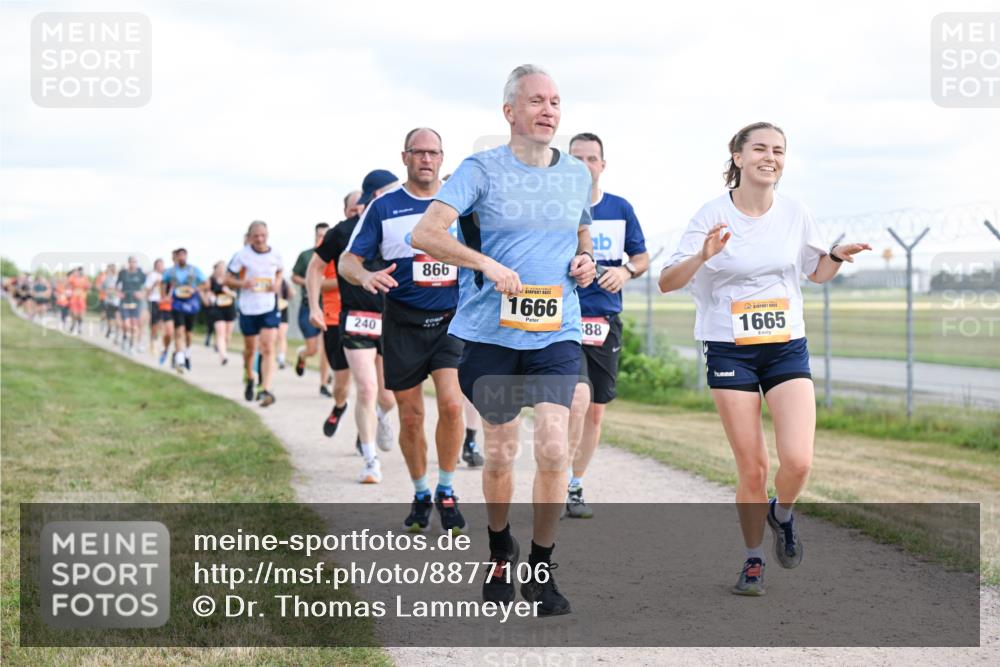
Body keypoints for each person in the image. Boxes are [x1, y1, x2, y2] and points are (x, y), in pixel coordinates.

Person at [412, 64, 596, 616]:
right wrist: (484, 263)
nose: (548, 110)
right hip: (491, 336)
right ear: (510, 112)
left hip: (555, 330)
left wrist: (585, 260)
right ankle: (498, 551)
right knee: (498, 454)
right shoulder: (479, 170)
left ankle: (541, 567)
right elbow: (426, 232)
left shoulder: (575, 176)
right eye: (536, 100)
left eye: (556, 102)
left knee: (554, 447)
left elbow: (579, 231)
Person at [658, 121, 871, 596]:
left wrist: (834, 254)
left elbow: (817, 274)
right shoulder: (711, 214)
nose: (769, 157)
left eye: (778, 150)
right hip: (730, 347)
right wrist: (703, 255)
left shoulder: (796, 213)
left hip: (785, 345)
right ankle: (753, 559)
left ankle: (783, 513)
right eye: (759, 148)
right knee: (752, 467)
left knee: (798, 462)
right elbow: (667, 281)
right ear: (737, 156)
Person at [340, 128, 469, 531]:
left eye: (433, 153)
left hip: (451, 321)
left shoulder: (460, 204)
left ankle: (446, 489)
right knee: (410, 416)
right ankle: (419, 492)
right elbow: (348, 260)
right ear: (405, 157)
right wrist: (363, 277)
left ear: (442, 157)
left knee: (451, 405)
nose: (426, 159)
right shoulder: (383, 208)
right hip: (402, 324)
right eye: (419, 152)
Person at [564, 132, 649, 518]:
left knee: (595, 410)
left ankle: (575, 484)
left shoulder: (620, 208)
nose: (584, 165)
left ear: (602, 164)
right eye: (576, 158)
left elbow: (642, 256)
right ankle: (558, 480)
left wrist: (626, 272)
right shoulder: (556, 208)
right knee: (576, 401)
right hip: (564, 319)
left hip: (604, 321)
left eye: (591, 159)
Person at [307, 173, 398, 467]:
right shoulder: (341, 232)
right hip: (355, 317)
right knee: (367, 389)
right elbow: (314, 268)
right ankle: (370, 460)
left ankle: (382, 418)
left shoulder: (396, 226)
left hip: (390, 319)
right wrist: (313, 306)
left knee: (387, 397)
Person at [227, 221, 284, 407]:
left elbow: (280, 271)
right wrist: (243, 284)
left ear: (267, 234)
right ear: (250, 236)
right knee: (250, 349)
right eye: (256, 236)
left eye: (263, 235)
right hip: (248, 307)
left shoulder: (276, 254)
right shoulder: (242, 256)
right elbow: (226, 279)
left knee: (268, 346)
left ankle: (265, 388)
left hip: (268, 306)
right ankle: (250, 375)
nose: (260, 239)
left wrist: (277, 282)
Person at [292, 223, 335, 394]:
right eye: (319, 236)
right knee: (312, 349)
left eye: (326, 235)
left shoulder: (336, 255)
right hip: (308, 305)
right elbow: (294, 276)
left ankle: (324, 384)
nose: (322, 239)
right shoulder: (306, 255)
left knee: (326, 347)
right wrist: (311, 283)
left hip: (329, 306)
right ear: (315, 236)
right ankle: (302, 355)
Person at [161, 248, 208, 374]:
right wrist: (164, 296)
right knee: (179, 331)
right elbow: (163, 283)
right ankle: (180, 360)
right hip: (177, 304)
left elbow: (205, 283)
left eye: (183, 255)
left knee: (189, 334)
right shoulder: (170, 272)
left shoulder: (194, 270)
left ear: (186, 256)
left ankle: (187, 353)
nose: (181, 258)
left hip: (191, 304)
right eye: (179, 255)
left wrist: (196, 289)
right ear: (176, 257)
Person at [207, 260, 238, 365]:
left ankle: (222, 348)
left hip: (229, 309)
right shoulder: (211, 280)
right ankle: (223, 356)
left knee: (228, 335)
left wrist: (227, 291)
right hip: (218, 309)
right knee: (221, 333)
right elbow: (208, 292)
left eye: (223, 267)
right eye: (219, 267)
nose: (221, 269)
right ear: (215, 269)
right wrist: (211, 298)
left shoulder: (231, 279)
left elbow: (235, 294)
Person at [116, 256, 146, 354]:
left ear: (136, 263)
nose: (133, 264)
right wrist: (119, 293)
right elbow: (117, 286)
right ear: (128, 263)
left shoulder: (141, 274)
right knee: (126, 324)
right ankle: (125, 338)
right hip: (125, 301)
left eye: (134, 262)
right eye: (131, 262)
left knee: (134, 325)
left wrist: (142, 294)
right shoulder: (123, 273)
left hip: (136, 302)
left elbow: (146, 287)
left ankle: (132, 345)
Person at [101, 264, 122, 342]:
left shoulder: (120, 278)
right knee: (110, 318)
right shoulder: (107, 279)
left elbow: (122, 289)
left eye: (114, 269)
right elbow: (102, 288)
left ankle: (116, 333)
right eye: (112, 269)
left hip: (118, 302)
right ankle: (110, 329)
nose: (113, 270)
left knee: (117, 318)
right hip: (109, 301)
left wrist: (117, 292)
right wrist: (108, 291)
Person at [276, 277, 292, 370]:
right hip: (271, 309)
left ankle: (281, 358)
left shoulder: (285, 282)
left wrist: (289, 285)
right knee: (272, 337)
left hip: (283, 310)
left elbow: (292, 295)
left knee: (281, 335)